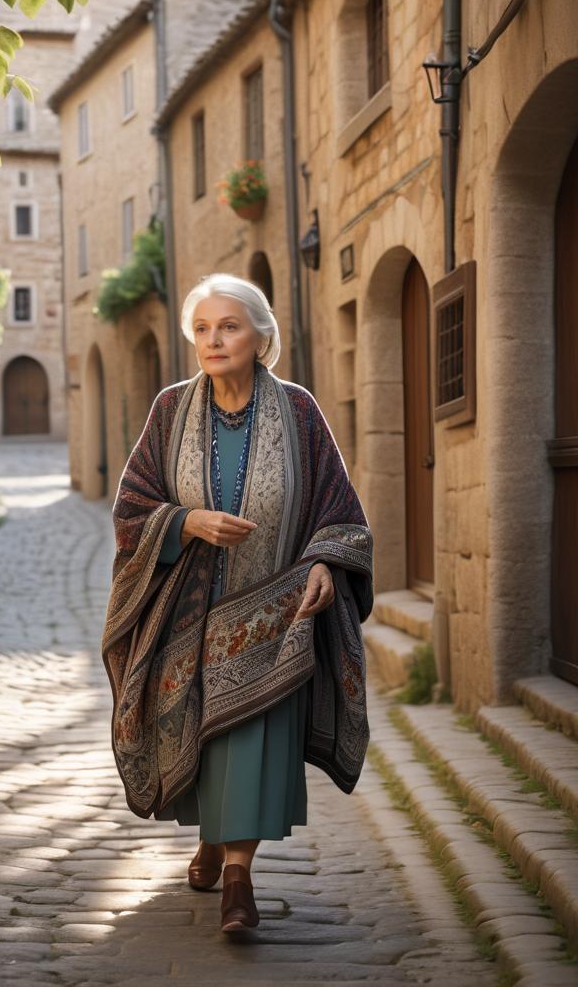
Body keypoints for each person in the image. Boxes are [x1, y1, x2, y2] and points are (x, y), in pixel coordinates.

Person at [101, 272, 374, 934]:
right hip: (184, 615)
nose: (213, 339)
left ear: (261, 337)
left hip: (274, 617)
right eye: (202, 328)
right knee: (194, 732)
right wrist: (186, 522)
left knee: (251, 740)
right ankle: (209, 841)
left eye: (229, 326)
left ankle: (238, 880)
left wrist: (322, 563)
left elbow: (340, 510)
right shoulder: (170, 411)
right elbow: (132, 507)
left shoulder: (300, 411)